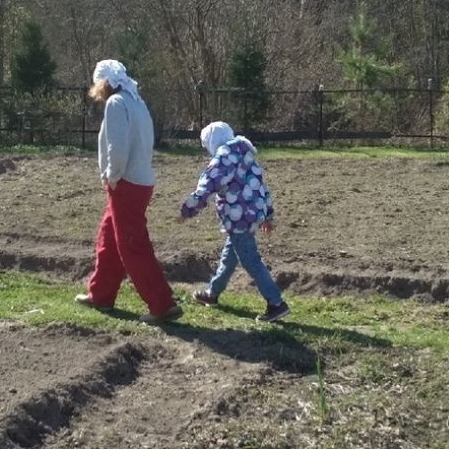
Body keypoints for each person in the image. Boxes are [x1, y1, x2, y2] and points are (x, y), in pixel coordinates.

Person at [74, 60, 183, 324]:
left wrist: (112, 176)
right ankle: (100, 294)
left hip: (126, 183)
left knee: (133, 246)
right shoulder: (137, 102)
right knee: (109, 240)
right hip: (140, 181)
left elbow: (118, 149)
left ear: (105, 82)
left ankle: (162, 304)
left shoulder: (116, 104)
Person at [177, 121, 290, 322]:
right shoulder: (247, 155)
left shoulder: (222, 158)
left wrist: (188, 210)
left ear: (212, 141)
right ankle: (212, 293)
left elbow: (207, 185)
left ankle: (276, 303)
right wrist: (268, 215)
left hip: (239, 218)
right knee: (230, 256)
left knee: (250, 260)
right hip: (253, 214)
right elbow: (262, 186)